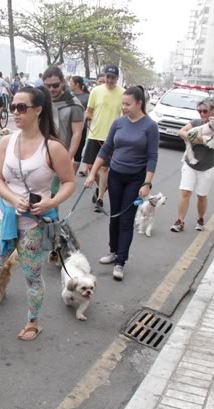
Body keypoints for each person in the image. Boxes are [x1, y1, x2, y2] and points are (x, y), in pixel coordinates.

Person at [0, 86, 76, 344]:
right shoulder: (7, 141)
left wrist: (51, 201)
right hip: (3, 219)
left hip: (33, 226)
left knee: (32, 277)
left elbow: (69, 182)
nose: (15, 111)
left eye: (21, 107)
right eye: (12, 106)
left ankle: (33, 321)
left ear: (38, 110)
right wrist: (14, 199)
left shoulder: (53, 148)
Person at [85, 86, 158, 281]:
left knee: (126, 220)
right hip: (115, 174)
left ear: (139, 103)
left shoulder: (150, 126)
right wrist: (92, 174)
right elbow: (106, 149)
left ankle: (121, 262)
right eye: (122, 104)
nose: (124, 107)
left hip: (136, 179)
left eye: (127, 104)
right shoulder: (118, 123)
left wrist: (147, 183)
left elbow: (152, 157)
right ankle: (113, 251)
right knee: (114, 217)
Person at [170, 97, 214, 233]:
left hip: (207, 166)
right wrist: (196, 137)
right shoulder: (195, 122)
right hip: (190, 164)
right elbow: (180, 132)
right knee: (185, 192)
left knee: (201, 195)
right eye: (199, 111)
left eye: (205, 111)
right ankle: (179, 221)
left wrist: (197, 139)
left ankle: (200, 219)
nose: (202, 114)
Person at [84, 65, 124, 212]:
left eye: (113, 77)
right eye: (107, 77)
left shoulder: (123, 93)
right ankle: (103, 185)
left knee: (104, 168)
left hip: (111, 137)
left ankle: (100, 198)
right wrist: (87, 118)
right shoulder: (96, 91)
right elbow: (89, 111)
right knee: (89, 167)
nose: (109, 80)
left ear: (117, 78)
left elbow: (125, 115)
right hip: (94, 134)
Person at [43, 66, 83, 188]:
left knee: (52, 194)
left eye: (55, 85)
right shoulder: (41, 100)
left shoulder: (74, 105)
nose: (51, 89)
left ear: (63, 82)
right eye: (47, 86)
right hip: (39, 152)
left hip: (59, 154)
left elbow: (77, 133)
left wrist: (68, 157)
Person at [69, 75, 90, 175]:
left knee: (77, 151)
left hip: (81, 129)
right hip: (67, 127)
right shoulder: (68, 95)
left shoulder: (87, 97)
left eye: (71, 83)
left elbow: (89, 112)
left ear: (77, 84)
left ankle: (72, 175)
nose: (69, 85)